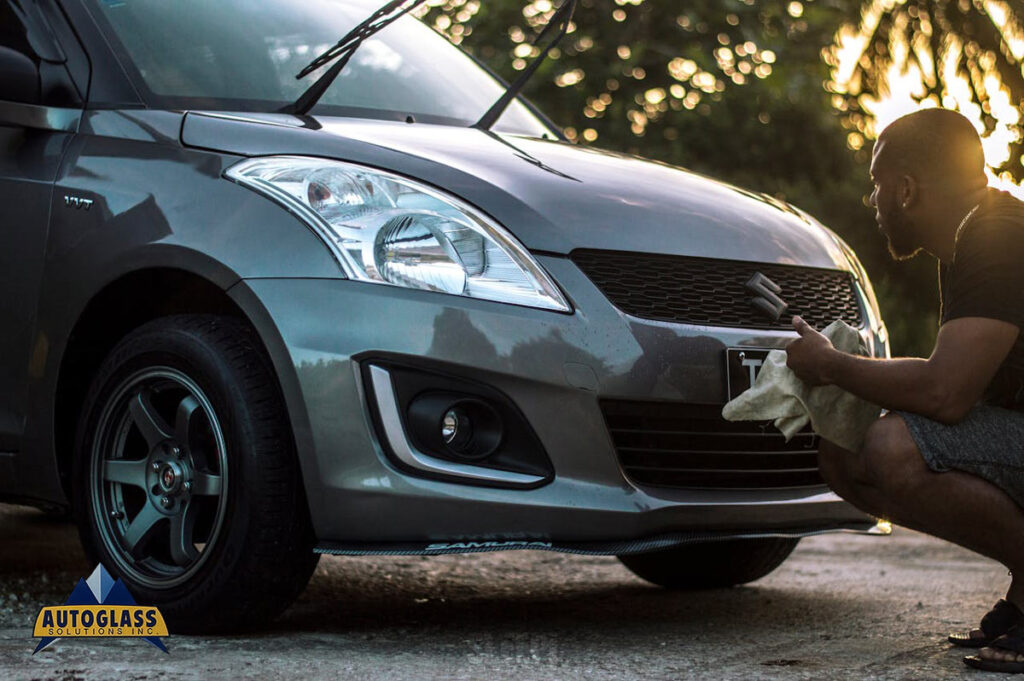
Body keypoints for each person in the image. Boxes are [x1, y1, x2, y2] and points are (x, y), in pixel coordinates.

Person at [784, 107, 1024, 673]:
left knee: (893, 447)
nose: (874, 202)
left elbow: (947, 392)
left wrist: (833, 365)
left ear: (907, 189)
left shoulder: (995, 236)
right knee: (845, 454)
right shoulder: (974, 237)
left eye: (877, 186)